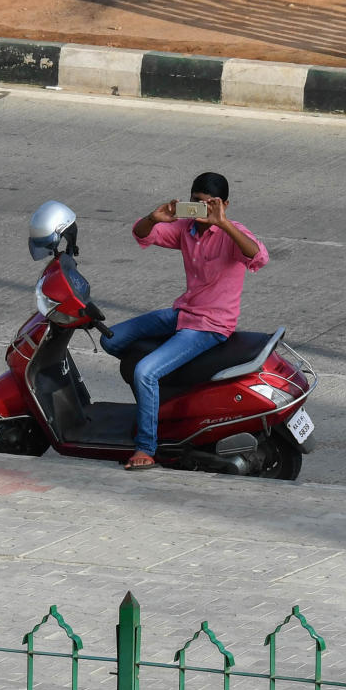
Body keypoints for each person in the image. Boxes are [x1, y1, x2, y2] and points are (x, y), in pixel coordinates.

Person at [100, 172, 269, 470]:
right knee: (110, 339)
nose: (201, 210)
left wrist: (224, 224)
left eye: (209, 204)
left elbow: (258, 257)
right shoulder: (185, 230)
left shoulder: (232, 233)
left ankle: (145, 448)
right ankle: (160, 405)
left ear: (224, 205)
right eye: (196, 203)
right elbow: (142, 234)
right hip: (183, 313)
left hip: (210, 326)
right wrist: (154, 218)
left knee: (145, 373)